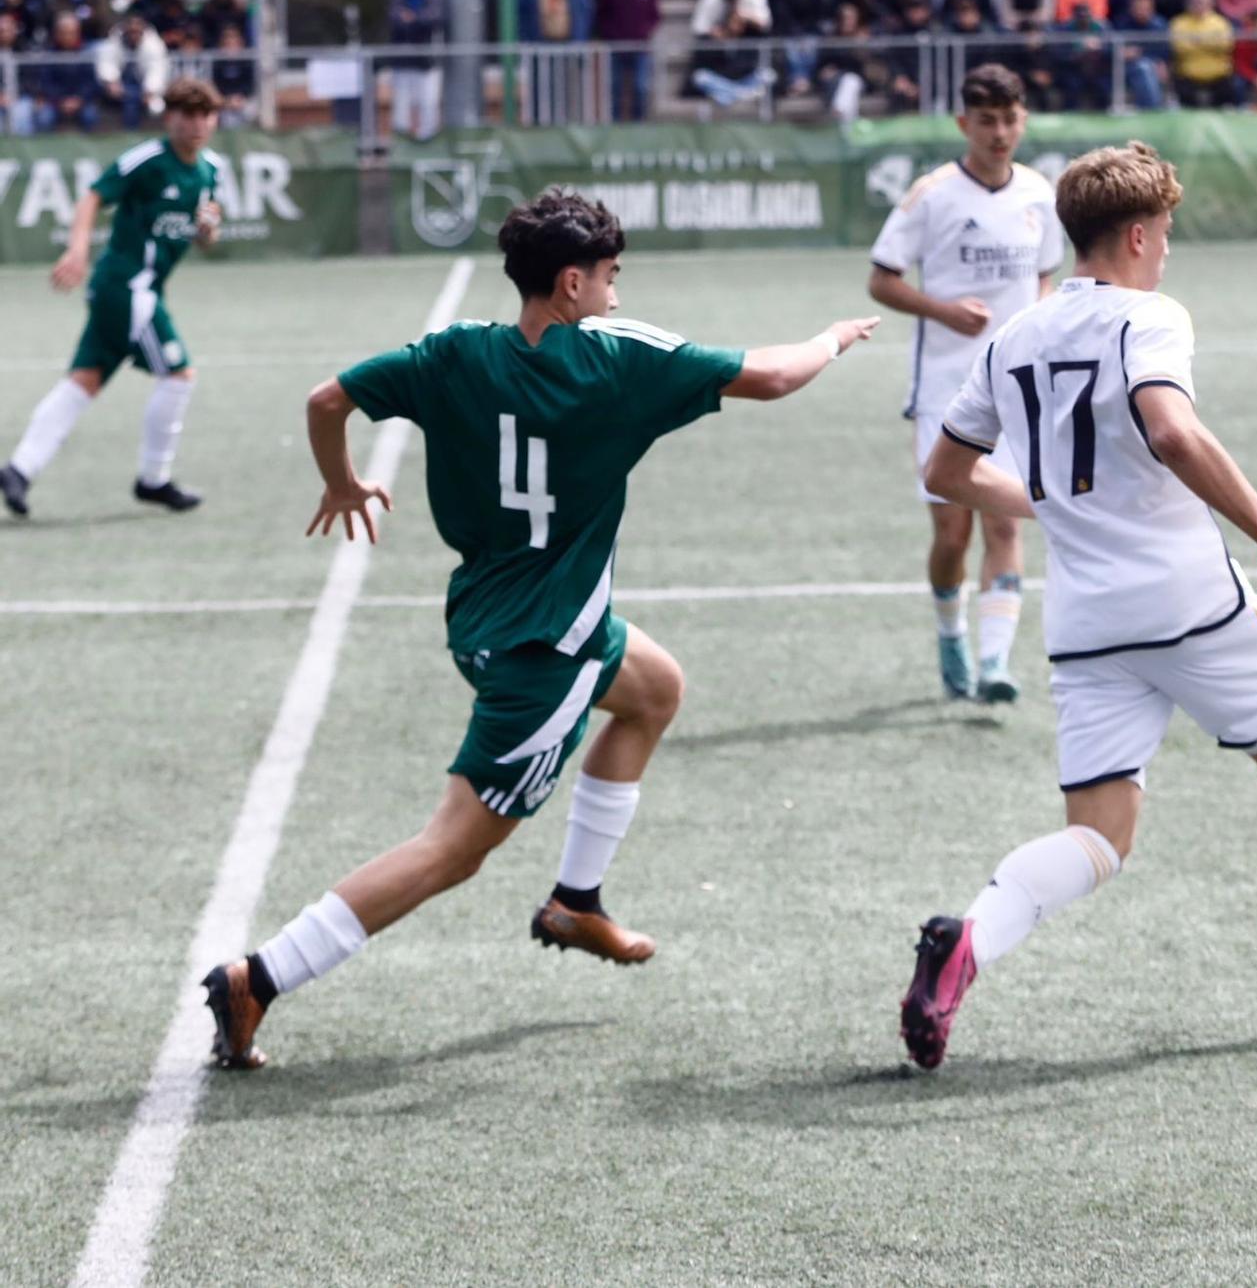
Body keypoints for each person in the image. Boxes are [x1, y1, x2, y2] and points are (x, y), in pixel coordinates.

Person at [197, 190, 881, 1071]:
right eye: (609, 278)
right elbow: (777, 376)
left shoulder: (454, 355)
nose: (616, 296)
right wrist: (832, 336)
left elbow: (327, 400)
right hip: (545, 649)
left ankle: (575, 902)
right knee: (453, 849)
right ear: (569, 283)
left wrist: (341, 482)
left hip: (493, 613)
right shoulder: (616, 362)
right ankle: (260, 975)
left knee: (655, 690)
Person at [897, 140, 1257, 1071]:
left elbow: (946, 472)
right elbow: (1171, 427)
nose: (1166, 251)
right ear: (1134, 235)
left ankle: (971, 942)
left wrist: (1048, 503)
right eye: (1163, 234)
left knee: (1099, 835)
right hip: (1188, 602)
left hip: (1084, 620)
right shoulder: (1148, 317)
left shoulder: (1012, 336)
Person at [866, 65, 1062, 702]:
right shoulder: (933, 195)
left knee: (1006, 526)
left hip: (1016, 392)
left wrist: (1037, 315)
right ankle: (950, 630)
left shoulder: (1039, 194)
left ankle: (996, 663)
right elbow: (882, 279)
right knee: (952, 534)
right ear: (963, 125)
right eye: (986, 122)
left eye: (1010, 119)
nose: (1000, 133)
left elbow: (1046, 276)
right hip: (946, 389)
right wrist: (944, 310)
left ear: (1023, 119)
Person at [1, 79, 223, 520]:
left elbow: (204, 238)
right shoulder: (148, 160)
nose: (196, 123)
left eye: (205, 114)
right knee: (179, 375)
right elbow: (93, 196)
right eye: (187, 113)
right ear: (170, 118)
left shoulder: (210, 169)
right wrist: (78, 248)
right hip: (126, 286)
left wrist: (208, 230)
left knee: (85, 379)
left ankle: (18, 470)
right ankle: (153, 479)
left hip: (138, 289)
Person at [597, 0, 662, 122]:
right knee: (615, 88)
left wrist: (644, 32)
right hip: (617, 45)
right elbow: (603, 12)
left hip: (640, 46)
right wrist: (610, 34)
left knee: (640, 88)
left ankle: (637, 125)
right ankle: (616, 125)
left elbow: (655, 14)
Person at [387, 0, 442, 140]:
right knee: (401, 102)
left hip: (425, 63)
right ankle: (401, 137)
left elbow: (432, 20)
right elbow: (397, 21)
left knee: (428, 102)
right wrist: (416, 20)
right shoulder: (398, 1)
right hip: (402, 62)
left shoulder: (432, 1)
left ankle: (428, 136)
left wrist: (414, 18)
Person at [1169, 0, 1238, 105]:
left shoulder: (1221, 23)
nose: (1198, 1)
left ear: (1211, 0)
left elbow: (1225, 46)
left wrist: (1195, 41)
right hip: (1187, 80)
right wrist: (1210, 42)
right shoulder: (1179, 23)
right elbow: (1180, 47)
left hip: (1219, 79)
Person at [1116, 0, 1172, 108]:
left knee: (1146, 68)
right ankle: (1152, 110)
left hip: (1154, 66)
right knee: (1143, 68)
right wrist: (1121, 53)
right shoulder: (1121, 24)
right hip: (1127, 67)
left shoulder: (1160, 25)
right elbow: (1113, 49)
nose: (1141, 7)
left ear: (1151, 6)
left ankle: (1152, 108)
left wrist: (1162, 62)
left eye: (1144, 3)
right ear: (1131, 6)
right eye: (1137, 3)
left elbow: (1165, 51)